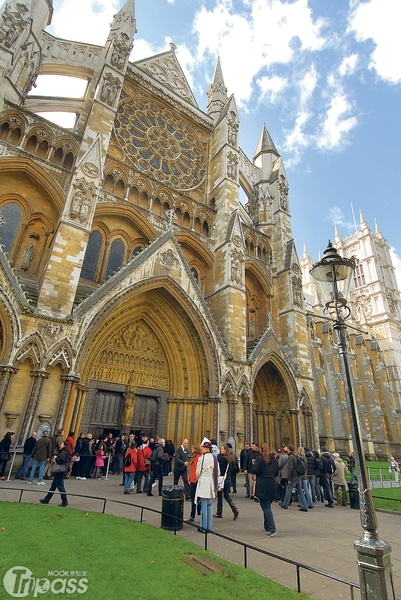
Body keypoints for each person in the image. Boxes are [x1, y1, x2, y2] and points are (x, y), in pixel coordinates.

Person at [252, 442, 279, 537]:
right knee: (267, 506)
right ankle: (267, 525)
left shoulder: (260, 459)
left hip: (263, 484)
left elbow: (255, 470)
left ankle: (272, 528)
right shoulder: (274, 460)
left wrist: (253, 465)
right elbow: (276, 472)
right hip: (272, 484)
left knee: (266, 507)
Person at [195, 439, 217, 533]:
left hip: (203, 482)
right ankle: (209, 526)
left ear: (206, 448)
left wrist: (199, 477)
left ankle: (203, 527)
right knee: (209, 505)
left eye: (203, 447)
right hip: (210, 482)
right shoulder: (212, 457)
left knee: (204, 505)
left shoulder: (202, 458)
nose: (202, 449)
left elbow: (198, 472)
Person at [39, 440, 69, 506]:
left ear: (64, 446)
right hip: (60, 471)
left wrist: (56, 458)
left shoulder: (63, 453)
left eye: (62, 444)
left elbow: (61, 461)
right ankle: (46, 499)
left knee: (60, 487)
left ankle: (64, 501)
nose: (60, 445)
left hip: (60, 471)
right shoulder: (63, 452)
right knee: (53, 486)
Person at [279, 444, 309, 511]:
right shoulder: (295, 455)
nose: (285, 448)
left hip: (293, 476)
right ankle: (304, 506)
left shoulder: (291, 457)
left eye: (286, 448)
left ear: (288, 449)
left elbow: (290, 468)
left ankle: (285, 504)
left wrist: (289, 478)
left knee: (289, 489)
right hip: (298, 475)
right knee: (300, 490)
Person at [214, 445, 239, 521]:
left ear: (225, 450)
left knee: (220, 494)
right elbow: (233, 468)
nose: (220, 450)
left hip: (222, 480)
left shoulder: (221, 458)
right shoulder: (229, 459)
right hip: (228, 479)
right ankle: (234, 509)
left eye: (222, 449)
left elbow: (219, 469)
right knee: (226, 495)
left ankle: (219, 512)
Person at [186, 443, 202, 523]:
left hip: (195, 481)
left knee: (194, 499)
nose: (191, 449)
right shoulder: (195, 457)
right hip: (192, 479)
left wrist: (194, 479)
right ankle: (197, 512)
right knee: (194, 499)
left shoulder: (198, 457)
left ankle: (193, 516)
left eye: (192, 448)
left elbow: (197, 470)